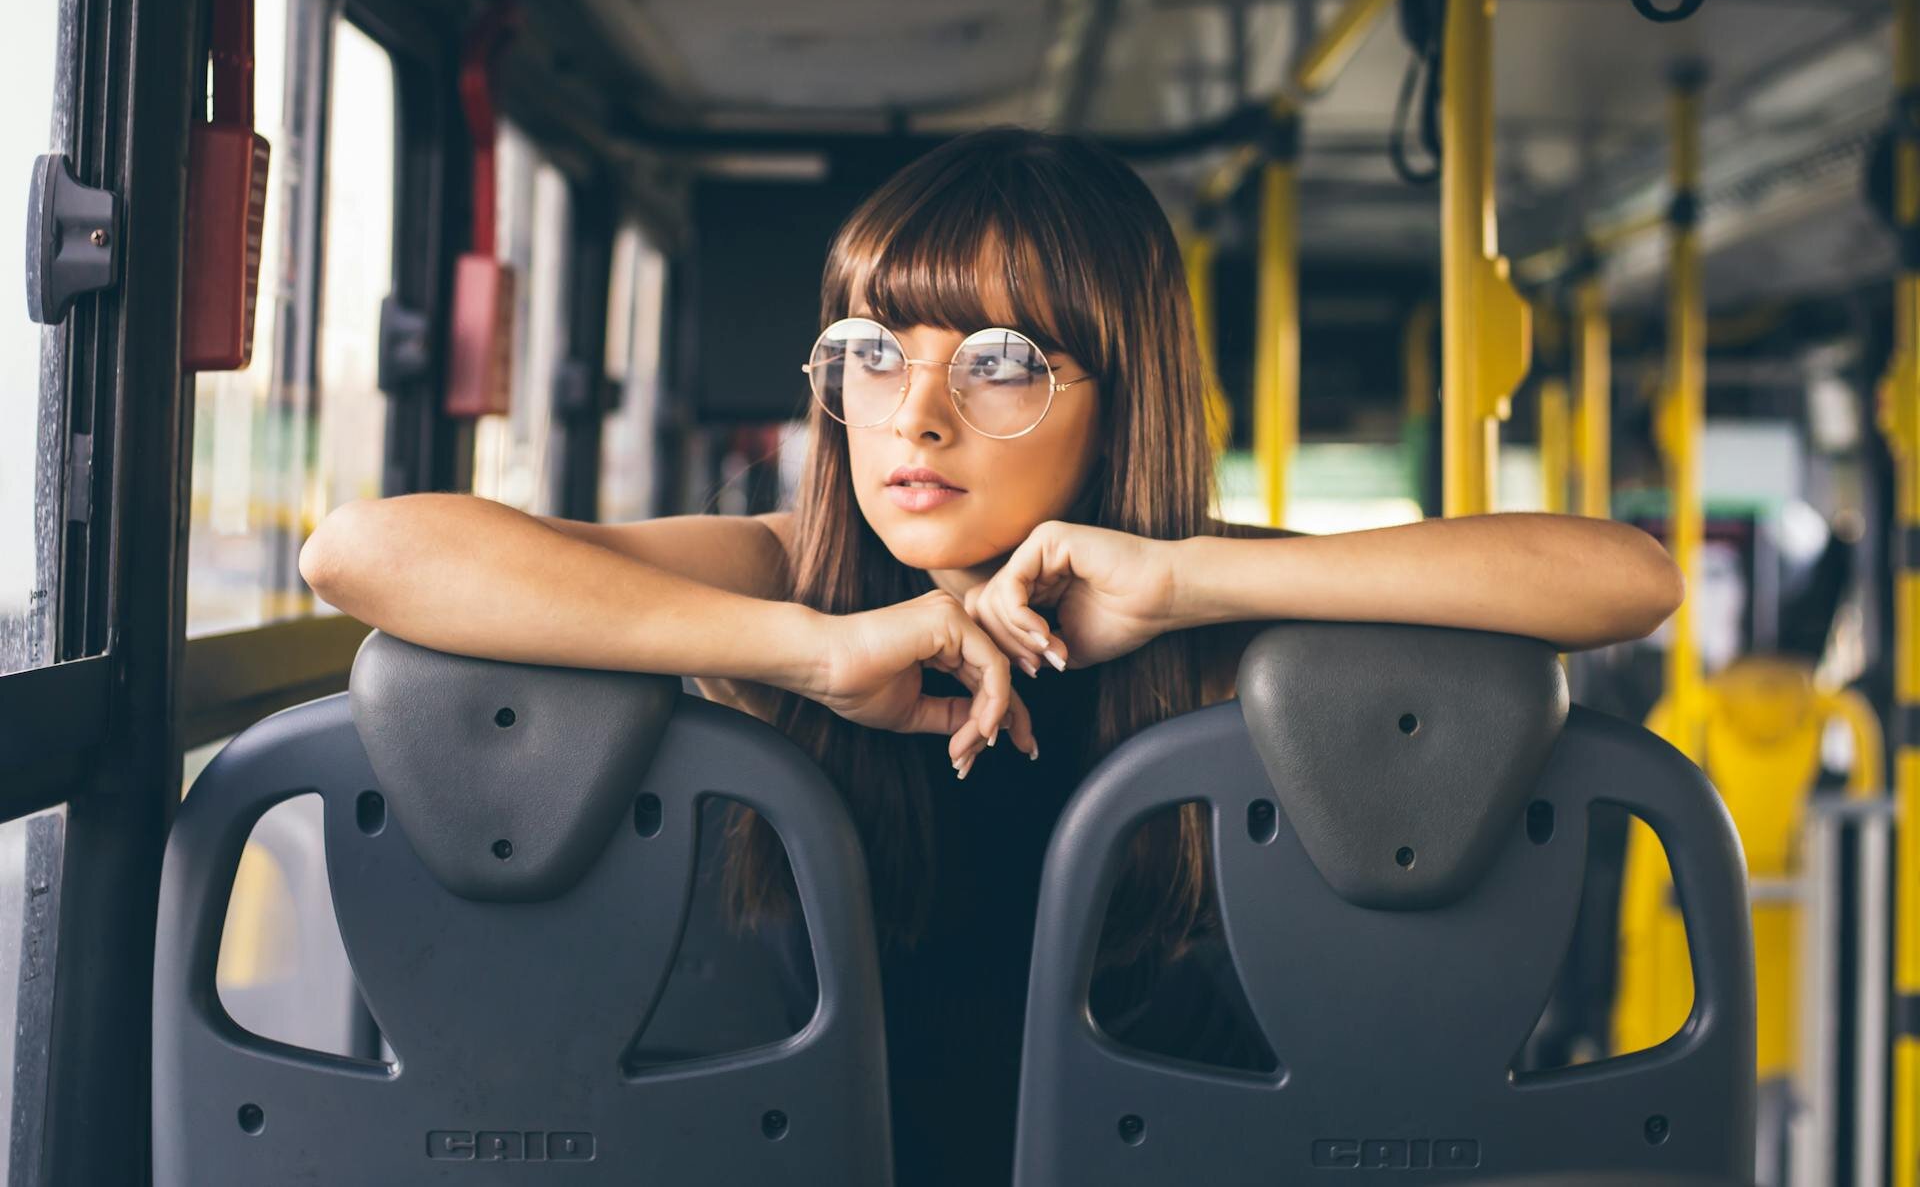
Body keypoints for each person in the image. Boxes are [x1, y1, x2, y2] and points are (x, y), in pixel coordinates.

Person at [299, 126, 1685, 1184]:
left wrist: (1193, 581)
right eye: (875, 354)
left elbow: (1627, 578)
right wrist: (807, 652)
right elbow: (364, 551)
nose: (919, 415)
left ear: (1118, 393)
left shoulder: (1198, 590)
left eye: (1004, 362)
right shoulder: (795, 569)